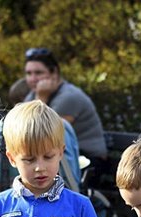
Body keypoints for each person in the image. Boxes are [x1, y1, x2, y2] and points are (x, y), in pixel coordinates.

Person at [23, 48, 108, 182]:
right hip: (62, 157)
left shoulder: (68, 96)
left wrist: (41, 98)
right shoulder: (34, 94)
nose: (32, 79)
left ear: (54, 73)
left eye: (38, 73)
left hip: (88, 161)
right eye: (28, 73)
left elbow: (43, 133)